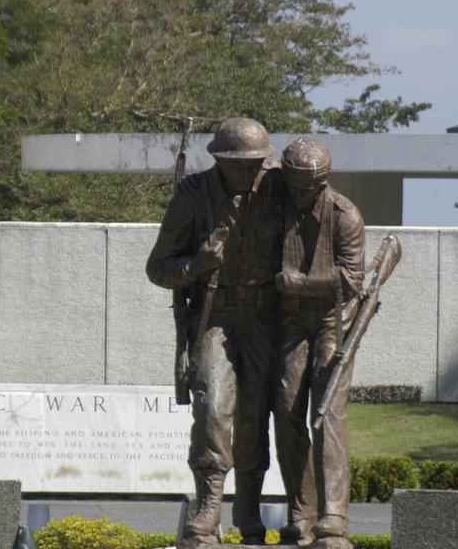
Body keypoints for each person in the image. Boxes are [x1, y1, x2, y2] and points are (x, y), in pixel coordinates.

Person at [145, 117, 283, 548]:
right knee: (212, 409)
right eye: (238, 164)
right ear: (219, 160)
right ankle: (208, 508)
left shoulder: (279, 190)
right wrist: (197, 265)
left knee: (256, 413)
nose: (247, 171)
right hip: (215, 316)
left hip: (265, 316)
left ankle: (248, 511)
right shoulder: (193, 195)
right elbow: (158, 269)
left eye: (255, 163)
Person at [273, 137, 365, 548]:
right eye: (291, 182)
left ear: (322, 181)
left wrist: (303, 283)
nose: (297, 191)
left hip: (333, 322)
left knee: (327, 414)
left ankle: (334, 516)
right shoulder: (274, 206)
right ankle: (301, 510)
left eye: (305, 185)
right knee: (287, 409)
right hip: (290, 323)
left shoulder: (345, 216)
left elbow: (351, 280)